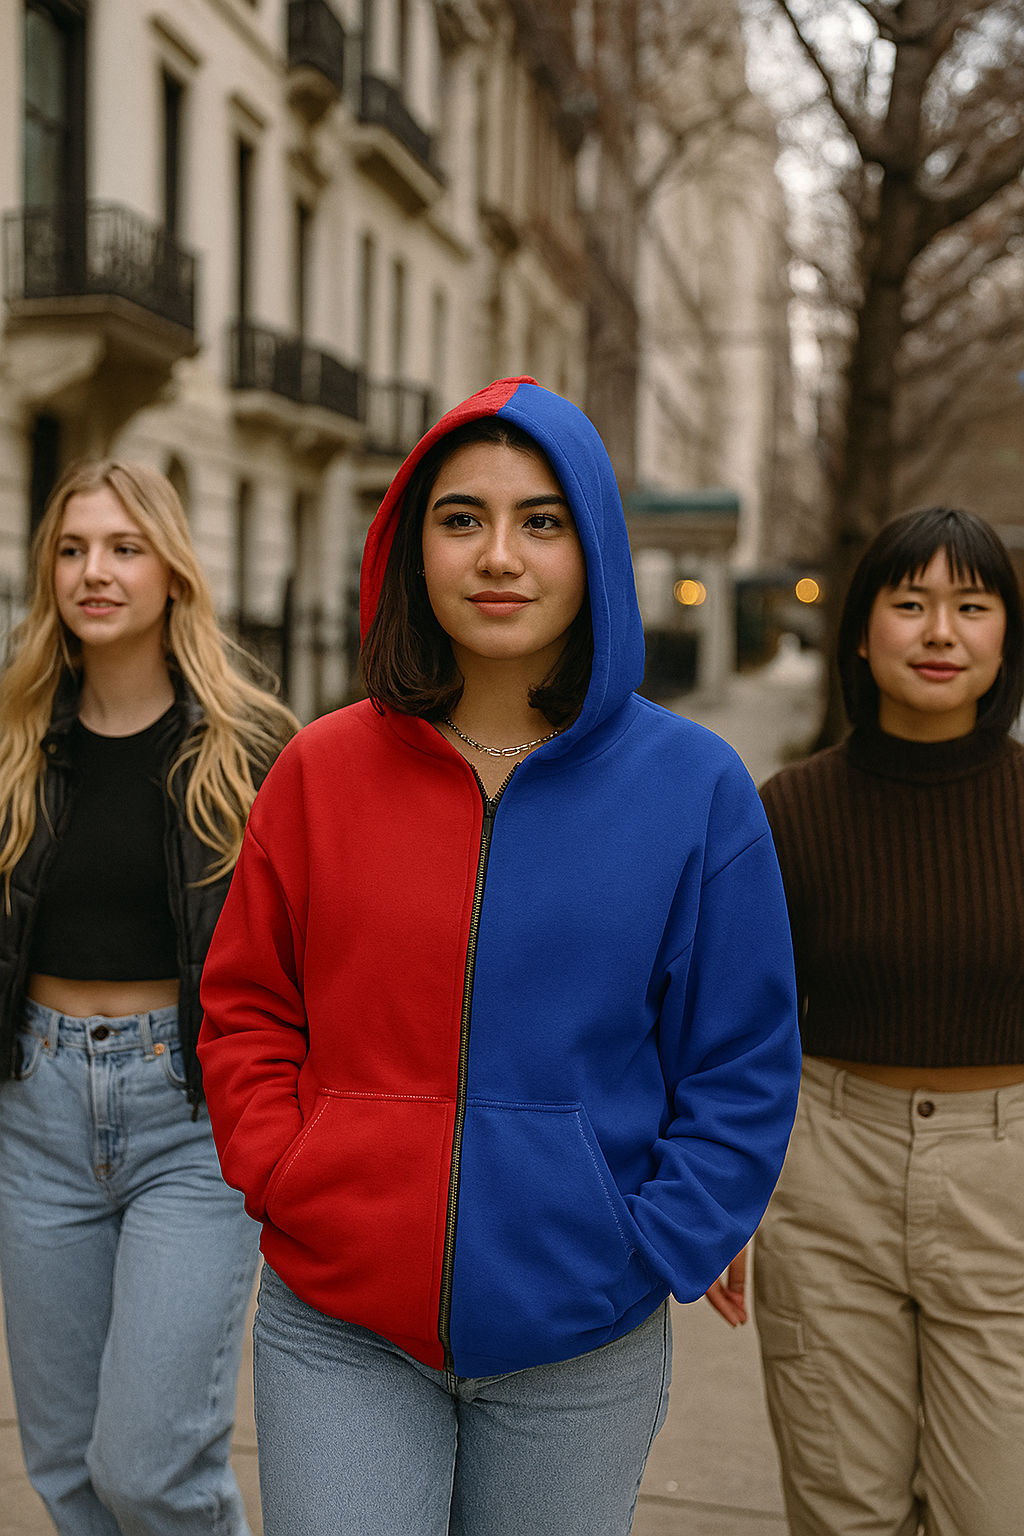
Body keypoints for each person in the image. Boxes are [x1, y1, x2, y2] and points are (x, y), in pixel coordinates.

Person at [198, 377, 801, 1536]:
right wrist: (287, 1171)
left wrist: (654, 1240)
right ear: (412, 546)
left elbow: (742, 1057)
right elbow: (247, 1008)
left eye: (541, 521)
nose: (498, 557)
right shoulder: (320, 773)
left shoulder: (695, 789)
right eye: (461, 518)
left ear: (595, 548)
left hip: (581, 1339)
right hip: (341, 1327)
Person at [707, 507, 1024, 1536]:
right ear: (859, 632)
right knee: (845, 1514)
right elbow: (734, 1022)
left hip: (1007, 1182)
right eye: (910, 603)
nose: (941, 632)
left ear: (1005, 636)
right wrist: (723, 1191)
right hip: (826, 1173)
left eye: (971, 606)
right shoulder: (789, 811)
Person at [0, 461, 297, 1535]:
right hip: (34, 1113)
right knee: (67, 1468)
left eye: (124, 548)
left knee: (149, 1467)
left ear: (173, 572)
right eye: (73, 549)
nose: (96, 571)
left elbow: (317, 943)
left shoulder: (252, 747)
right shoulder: (12, 739)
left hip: (193, 1117)